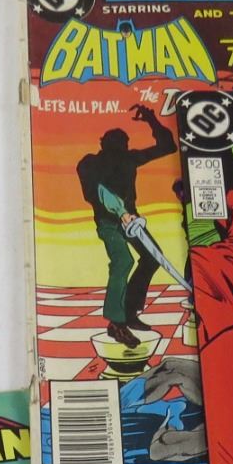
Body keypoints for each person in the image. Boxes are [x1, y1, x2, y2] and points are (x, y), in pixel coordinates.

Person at [76, 105, 176, 348]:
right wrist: (120, 212)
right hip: (109, 222)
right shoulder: (90, 163)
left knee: (152, 257)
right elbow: (96, 193)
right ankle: (116, 323)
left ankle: (129, 312)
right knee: (123, 261)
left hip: (131, 220)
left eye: (123, 143)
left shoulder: (129, 158)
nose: (121, 147)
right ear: (103, 144)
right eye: (117, 143)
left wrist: (151, 119)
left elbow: (168, 147)